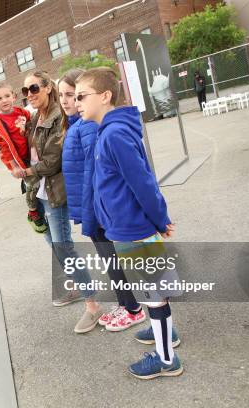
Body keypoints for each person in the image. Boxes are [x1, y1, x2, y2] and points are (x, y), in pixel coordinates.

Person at [75, 67, 183, 379]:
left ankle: (166, 359)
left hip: (135, 230)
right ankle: (164, 332)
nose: (77, 102)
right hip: (126, 228)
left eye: (82, 96)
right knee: (153, 292)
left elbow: (144, 183)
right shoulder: (107, 131)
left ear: (105, 96)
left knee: (154, 293)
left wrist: (160, 219)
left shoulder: (115, 134)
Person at [15, 70, 103, 334]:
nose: (28, 94)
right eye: (25, 90)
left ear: (47, 88)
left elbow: (53, 160)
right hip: (38, 193)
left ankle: (93, 305)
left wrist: (28, 172)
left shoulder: (57, 117)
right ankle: (76, 287)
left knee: (64, 247)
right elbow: (28, 152)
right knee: (53, 245)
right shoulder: (32, 118)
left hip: (54, 191)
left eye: (33, 89)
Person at [59, 68, 146, 333]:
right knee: (110, 258)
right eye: (62, 95)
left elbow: (93, 171)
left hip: (96, 205)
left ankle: (133, 308)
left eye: (74, 95)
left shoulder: (87, 126)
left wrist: (91, 209)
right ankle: (126, 303)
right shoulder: (77, 124)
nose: (67, 101)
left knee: (114, 258)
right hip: (92, 205)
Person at [0, 82, 47, 233]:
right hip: (18, 161)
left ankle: (41, 207)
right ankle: (32, 211)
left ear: (14, 97)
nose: (4, 100)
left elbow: (33, 126)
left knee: (42, 181)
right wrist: (14, 166)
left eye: (7, 96)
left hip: (32, 154)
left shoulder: (23, 112)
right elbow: (3, 148)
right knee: (33, 185)